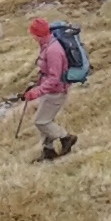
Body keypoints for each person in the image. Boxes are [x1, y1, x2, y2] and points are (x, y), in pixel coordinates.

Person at [23, 17, 77, 162]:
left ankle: (66, 137)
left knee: (41, 122)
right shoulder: (47, 44)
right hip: (50, 91)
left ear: (38, 34)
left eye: (33, 33)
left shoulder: (53, 50)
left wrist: (36, 92)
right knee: (46, 120)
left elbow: (54, 78)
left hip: (56, 92)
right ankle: (49, 151)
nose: (32, 37)